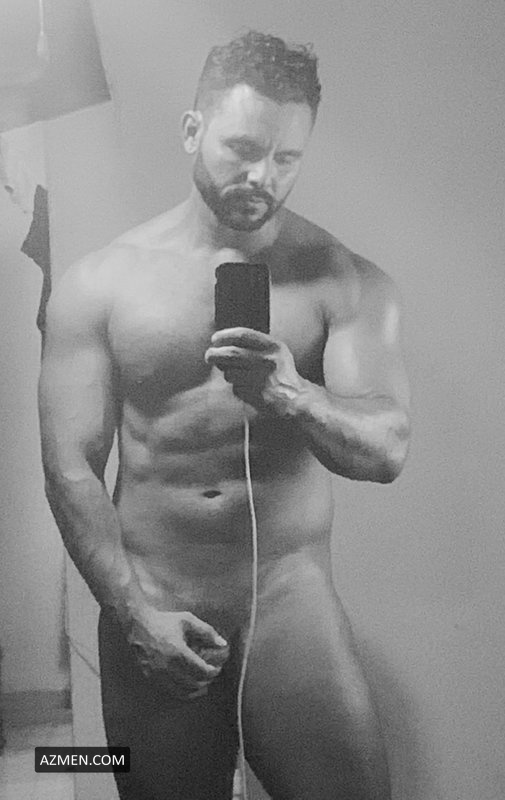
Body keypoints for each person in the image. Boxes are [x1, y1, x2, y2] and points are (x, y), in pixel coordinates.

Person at [38, 30, 411, 800]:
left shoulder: (342, 281)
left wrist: (292, 394)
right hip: (153, 596)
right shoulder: (100, 284)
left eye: (285, 158)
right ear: (192, 130)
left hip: (287, 602)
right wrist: (132, 612)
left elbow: (385, 450)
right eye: (242, 148)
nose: (261, 176)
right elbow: (70, 465)